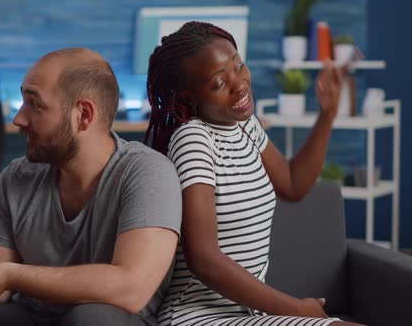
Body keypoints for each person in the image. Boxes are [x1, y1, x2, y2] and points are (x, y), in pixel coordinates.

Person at [0, 48, 182, 326]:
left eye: (35, 105)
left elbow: (131, 290)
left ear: (83, 115)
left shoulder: (147, 172)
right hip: (31, 317)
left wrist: (10, 276)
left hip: (109, 319)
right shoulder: (17, 177)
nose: (19, 118)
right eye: (23, 102)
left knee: (92, 318)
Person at [144, 21, 364, 326]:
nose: (239, 84)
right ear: (189, 98)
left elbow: (292, 184)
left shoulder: (244, 125)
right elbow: (203, 259)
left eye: (238, 65)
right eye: (219, 83)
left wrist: (326, 115)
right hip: (196, 316)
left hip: (246, 314)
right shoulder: (194, 139)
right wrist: (297, 309)